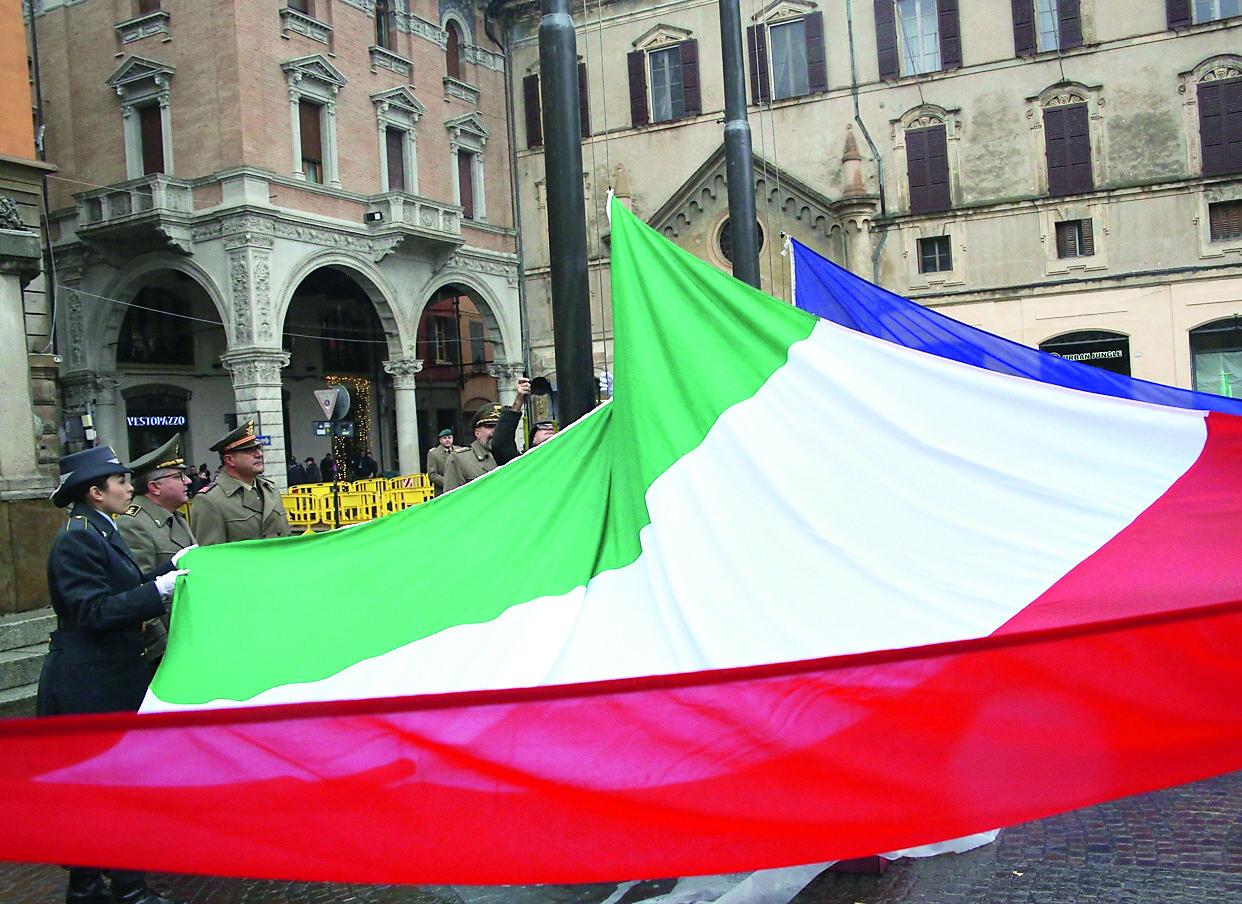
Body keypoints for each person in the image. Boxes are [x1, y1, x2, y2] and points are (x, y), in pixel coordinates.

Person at [40, 445, 190, 904]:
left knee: (94, 786)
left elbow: (120, 587)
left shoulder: (98, 530)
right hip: (92, 679)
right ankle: (128, 890)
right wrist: (158, 590)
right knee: (112, 785)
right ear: (95, 492)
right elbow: (93, 611)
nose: (130, 488)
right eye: (121, 481)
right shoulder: (78, 538)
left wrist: (172, 567)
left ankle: (86, 886)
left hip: (105, 673)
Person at [115, 434, 197, 666]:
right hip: (167, 645)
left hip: (187, 631)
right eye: (179, 476)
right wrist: (161, 648)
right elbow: (139, 591)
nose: (188, 481)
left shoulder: (175, 516)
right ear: (155, 487)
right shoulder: (133, 523)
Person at [189, 421, 291, 545]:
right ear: (230, 460)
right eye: (249, 451)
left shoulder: (271, 490)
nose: (259, 454)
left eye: (258, 448)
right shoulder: (210, 500)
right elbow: (211, 556)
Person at [492, 377, 559, 466]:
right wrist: (518, 402)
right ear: (531, 440)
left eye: (554, 426)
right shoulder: (524, 464)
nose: (550, 428)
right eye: (543, 427)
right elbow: (501, 445)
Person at [442, 404, 501, 492]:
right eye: (490, 427)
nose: (495, 431)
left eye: (499, 426)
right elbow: (452, 500)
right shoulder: (459, 459)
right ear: (477, 433)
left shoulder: (512, 457)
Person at [426, 429, 465, 495]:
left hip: (460, 488)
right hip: (443, 490)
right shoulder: (434, 454)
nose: (447, 440)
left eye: (449, 437)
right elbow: (432, 475)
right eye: (444, 438)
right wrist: (448, 482)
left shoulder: (459, 450)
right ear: (440, 440)